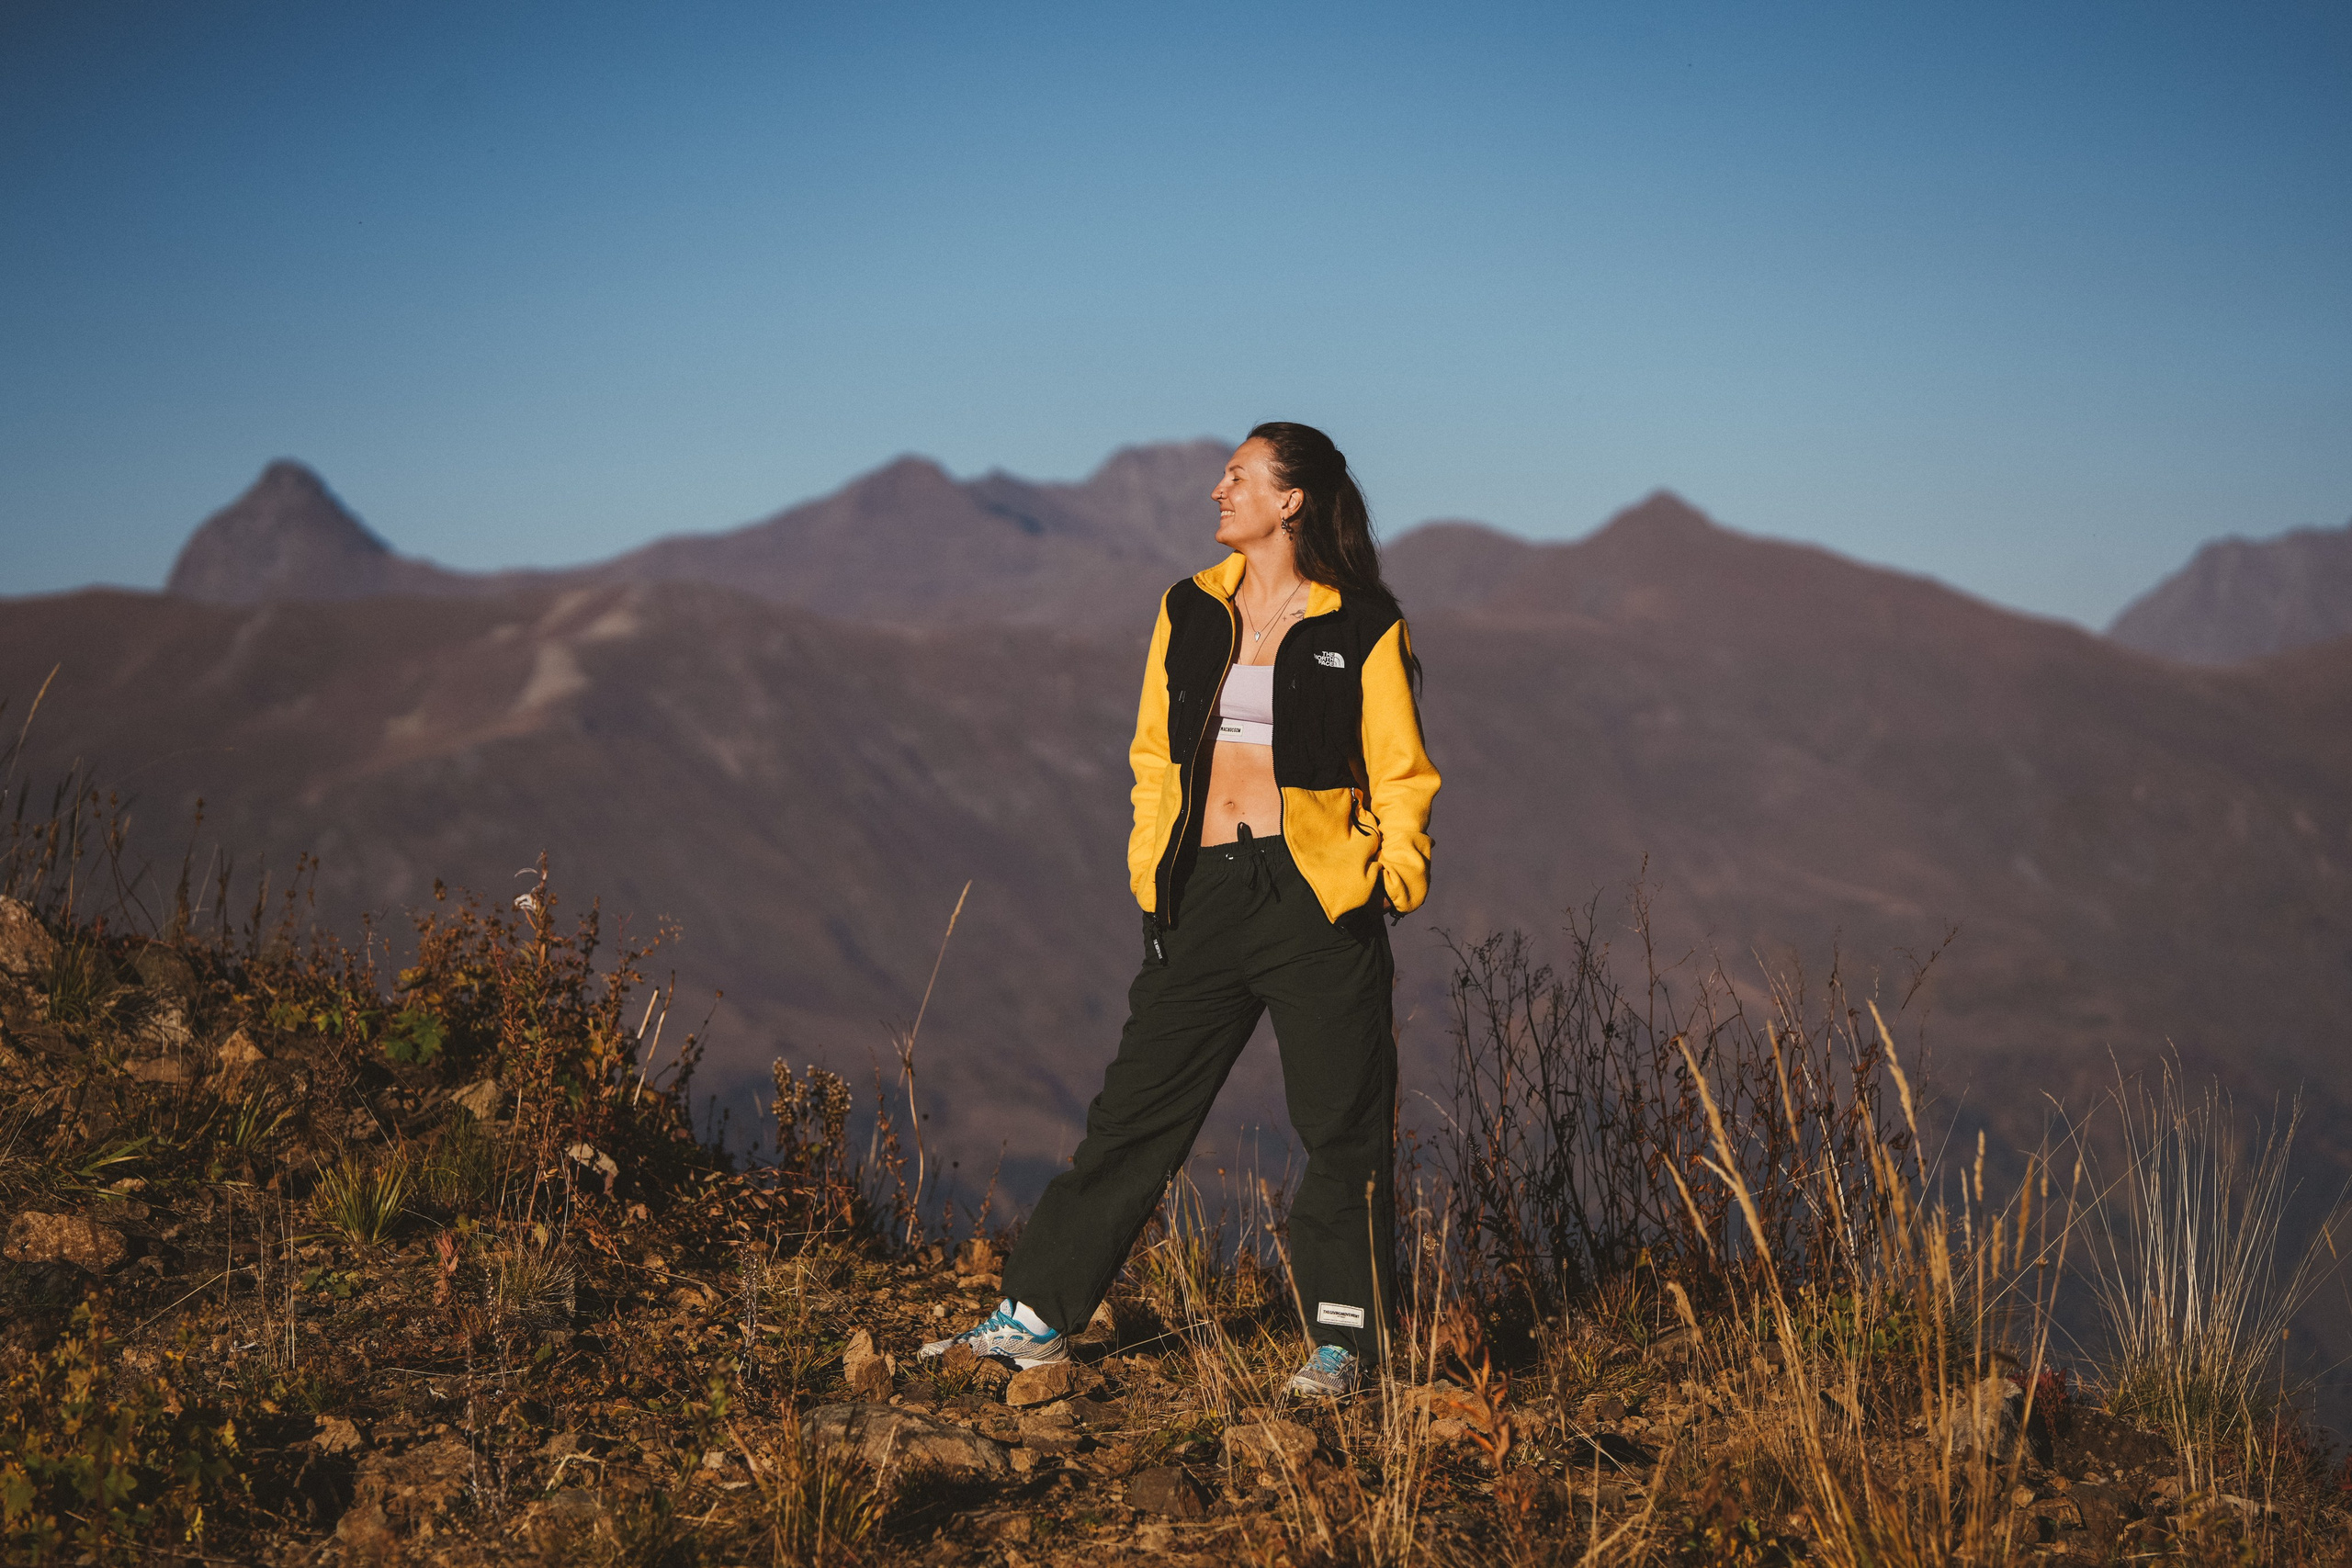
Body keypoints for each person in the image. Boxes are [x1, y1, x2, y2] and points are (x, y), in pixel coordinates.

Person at [921, 422, 1440, 1396]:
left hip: (1316, 898)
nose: (1218, 490)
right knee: (1134, 1114)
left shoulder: (1362, 625)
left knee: (1341, 1126)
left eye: (1238, 476)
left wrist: (1388, 876)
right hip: (1202, 891)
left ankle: (1344, 1344)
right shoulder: (1189, 608)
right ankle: (1035, 1317)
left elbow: (1401, 770)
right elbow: (1155, 755)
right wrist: (1151, 869)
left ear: (1289, 500)